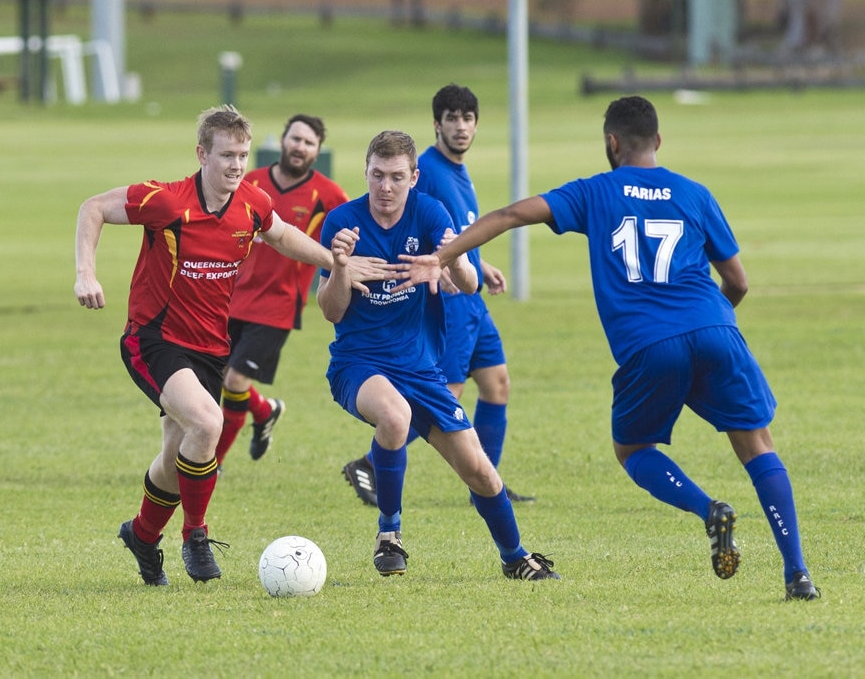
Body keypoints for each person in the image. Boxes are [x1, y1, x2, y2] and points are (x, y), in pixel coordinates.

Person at [393, 96, 818, 600]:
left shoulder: (596, 191)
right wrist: (714, 324)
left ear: (611, 143)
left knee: (633, 448)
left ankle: (708, 510)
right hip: (716, 330)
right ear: (658, 141)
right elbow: (739, 282)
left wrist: (440, 257)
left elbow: (509, 215)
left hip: (649, 347)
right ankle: (798, 574)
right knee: (757, 447)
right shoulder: (694, 193)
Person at [74, 105, 383, 586]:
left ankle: (140, 534)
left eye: (242, 155)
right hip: (154, 340)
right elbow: (92, 207)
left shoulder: (251, 203)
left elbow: (281, 236)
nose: (236, 165)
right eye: (226, 156)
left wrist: (335, 264)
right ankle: (194, 535)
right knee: (207, 422)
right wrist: (85, 273)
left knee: (178, 459)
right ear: (201, 154)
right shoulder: (167, 201)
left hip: (210, 348)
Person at [318, 129, 559, 581]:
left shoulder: (429, 212)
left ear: (414, 177)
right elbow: (331, 311)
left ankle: (514, 557)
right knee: (393, 417)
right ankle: (389, 534)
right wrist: (341, 268)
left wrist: (449, 262)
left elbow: (468, 284)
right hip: (358, 363)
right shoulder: (341, 224)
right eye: (376, 175)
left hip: (421, 369)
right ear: (365, 173)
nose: (385, 187)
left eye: (395, 177)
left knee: (482, 475)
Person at [342, 84, 534, 506]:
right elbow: (419, 234)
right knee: (447, 392)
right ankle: (371, 464)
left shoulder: (457, 170)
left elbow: (455, 236)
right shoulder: (427, 171)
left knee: (496, 383)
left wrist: (478, 265)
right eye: (452, 118)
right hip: (449, 299)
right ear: (437, 125)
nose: (461, 127)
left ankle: (487, 482)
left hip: (472, 295)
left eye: (468, 118)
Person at [214, 114, 348, 467]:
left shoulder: (328, 195)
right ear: (283, 141)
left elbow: (352, 233)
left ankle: (212, 463)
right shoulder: (250, 182)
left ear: (317, 151)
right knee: (217, 377)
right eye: (295, 139)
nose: (300, 147)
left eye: (308, 143)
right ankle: (264, 411)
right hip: (230, 297)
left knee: (236, 377)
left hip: (278, 304)